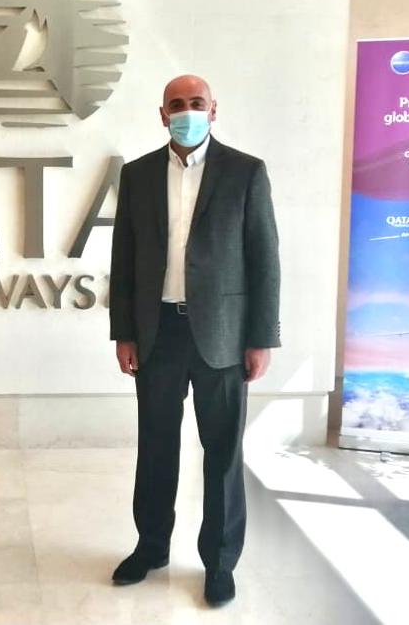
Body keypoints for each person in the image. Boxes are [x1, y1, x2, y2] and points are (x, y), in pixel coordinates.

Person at [108, 74, 281, 607]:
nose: (187, 111)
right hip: (157, 332)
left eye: (196, 103)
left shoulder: (246, 171)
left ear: (213, 109)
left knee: (223, 453)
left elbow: (264, 259)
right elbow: (124, 260)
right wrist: (123, 332)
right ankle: (151, 547)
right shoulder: (137, 174)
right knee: (155, 447)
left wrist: (260, 338)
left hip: (223, 336)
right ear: (162, 114)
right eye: (177, 104)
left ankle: (220, 562)